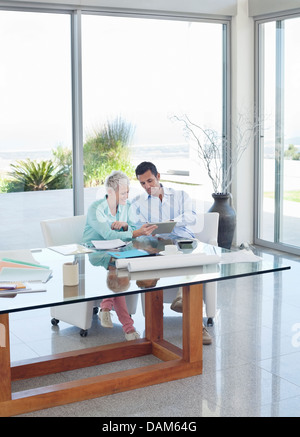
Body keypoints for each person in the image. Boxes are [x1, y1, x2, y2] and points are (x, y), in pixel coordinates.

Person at [131, 161, 212, 345]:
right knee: (151, 261)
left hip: (183, 239)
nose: (147, 186)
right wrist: (146, 231)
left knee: (190, 258)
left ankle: (192, 315)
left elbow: (191, 216)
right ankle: (159, 320)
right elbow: (136, 226)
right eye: (142, 183)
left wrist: (172, 221)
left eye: (150, 181)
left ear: (158, 177)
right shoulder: (139, 203)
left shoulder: (180, 195)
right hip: (157, 244)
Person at [82, 170, 157, 341]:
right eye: (123, 193)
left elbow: (130, 228)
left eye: (128, 192)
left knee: (136, 262)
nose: (127, 195)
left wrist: (125, 227)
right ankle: (128, 327)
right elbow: (108, 235)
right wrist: (134, 233)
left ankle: (106, 306)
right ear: (110, 192)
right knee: (117, 268)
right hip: (95, 252)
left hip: (120, 250)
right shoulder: (96, 209)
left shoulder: (127, 206)